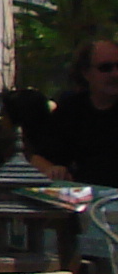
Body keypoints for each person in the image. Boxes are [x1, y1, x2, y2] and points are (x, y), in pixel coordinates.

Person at [26, 39, 118, 186]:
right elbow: (39, 159)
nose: (115, 74)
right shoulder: (72, 109)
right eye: (105, 68)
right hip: (85, 200)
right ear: (86, 73)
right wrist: (53, 170)